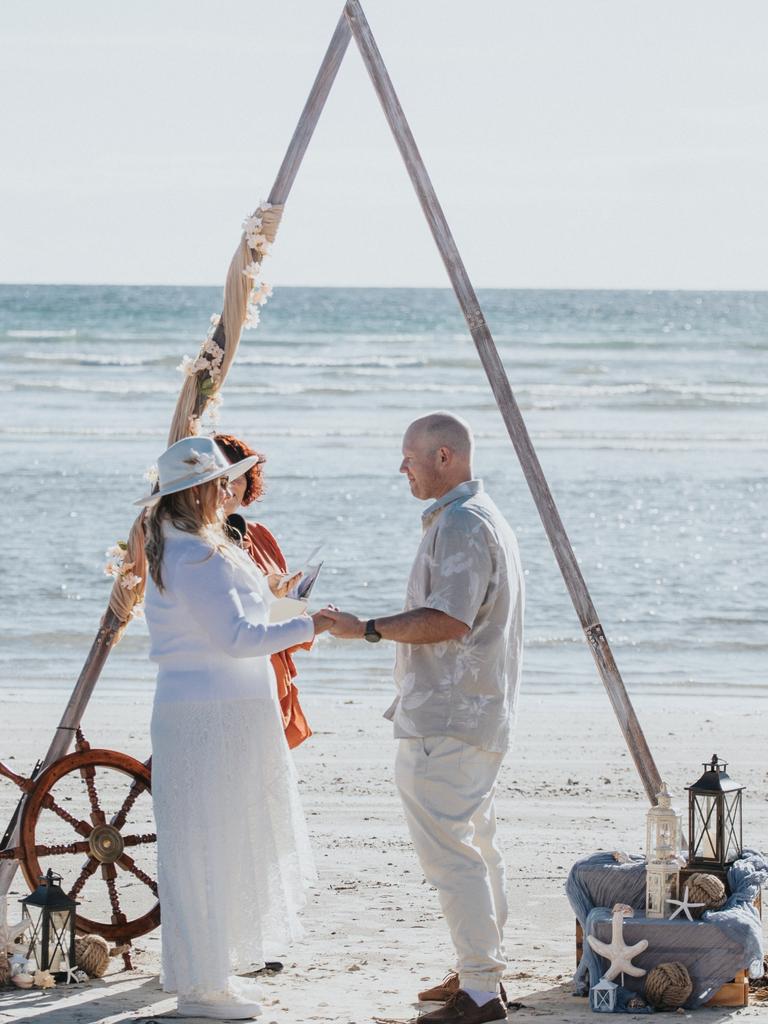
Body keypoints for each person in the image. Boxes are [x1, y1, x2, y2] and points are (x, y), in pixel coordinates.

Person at [325, 412, 524, 1024]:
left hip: (451, 714)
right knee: (476, 846)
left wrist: (366, 628)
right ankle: (479, 969)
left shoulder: (463, 523)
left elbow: (451, 618)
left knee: (450, 853)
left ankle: (483, 990)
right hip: (476, 710)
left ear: (445, 457)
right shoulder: (476, 515)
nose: (401, 467)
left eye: (409, 456)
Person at [138, 435, 333, 1021]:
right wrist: (311, 626)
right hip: (210, 715)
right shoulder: (193, 555)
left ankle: (206, 977)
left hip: (217, 710)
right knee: (208, 846)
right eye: (222, 482)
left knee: (212, 844)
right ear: (198, 492)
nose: (231, 490)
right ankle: (202, 988)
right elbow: (236, 640)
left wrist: (291, 610)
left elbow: (239, 622)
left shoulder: (189, 545)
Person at [214, 432, 312, 750]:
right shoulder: (197, 543)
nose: (230, 488)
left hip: (268, 654)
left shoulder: (260, 534)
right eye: (222, 478)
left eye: (239, 478)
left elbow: (271, 598)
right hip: (229, 667)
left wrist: (290, 600)